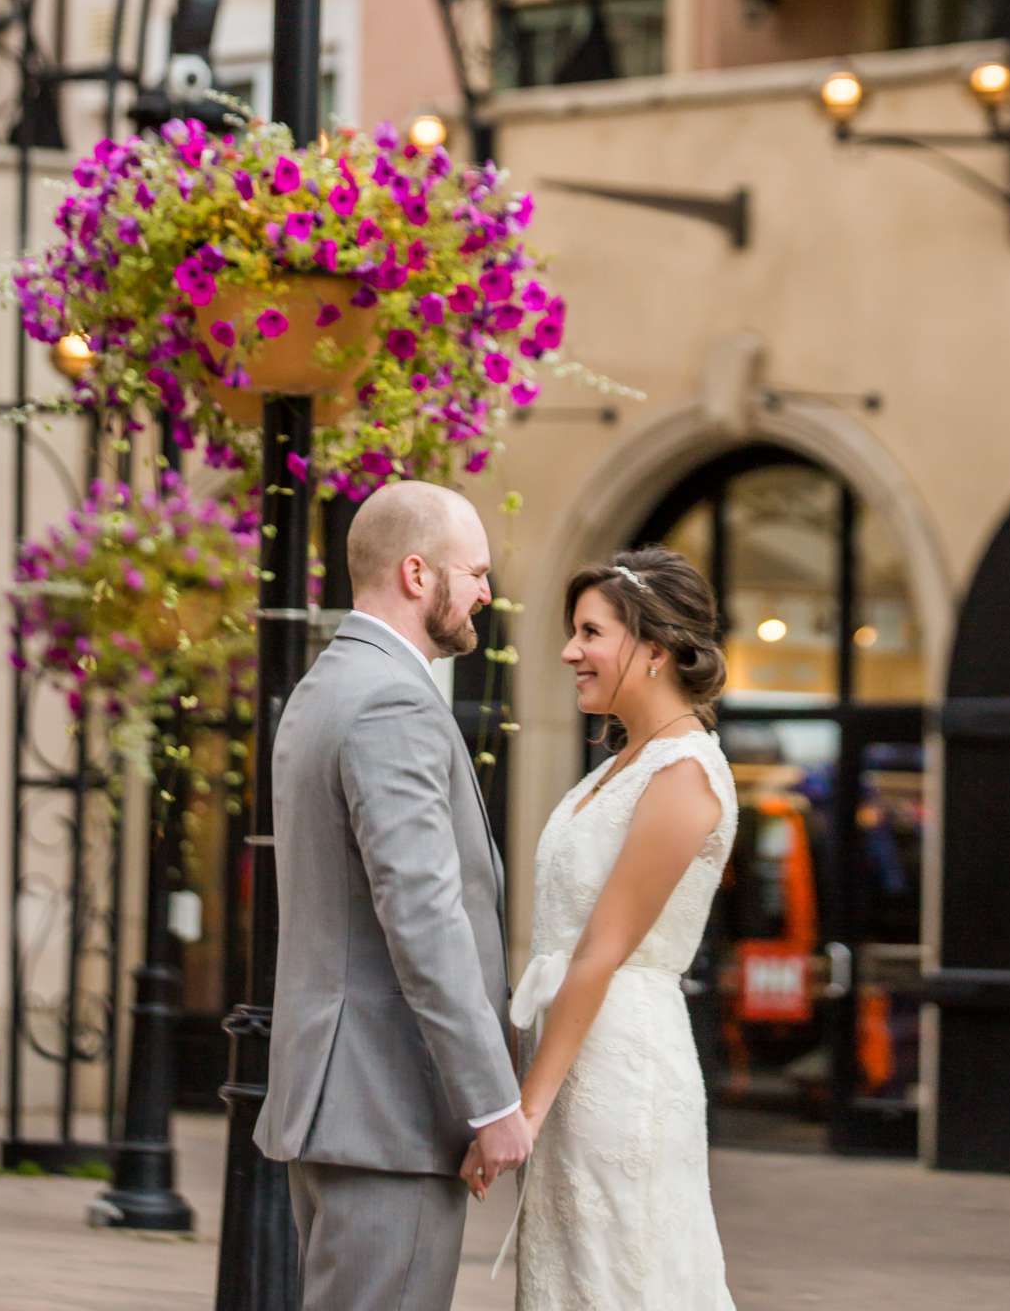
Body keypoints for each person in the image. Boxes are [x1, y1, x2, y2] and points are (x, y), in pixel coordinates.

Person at [256, 479, 531, 1311]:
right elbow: (424, 920)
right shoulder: (393, 704)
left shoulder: (326, 685)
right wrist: (490, 1101)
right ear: (418, 574)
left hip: (345, 1104)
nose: (486, 591)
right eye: (474, 572)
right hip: (388, 1113)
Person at [469, 545, 740, 1310]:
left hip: (621, 1076)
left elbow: (601, 951)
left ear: (653, 650)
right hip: (574, 1061)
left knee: (622, 1280)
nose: (569, 652)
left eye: (590, 632)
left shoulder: (684, 773)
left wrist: (525, 1108)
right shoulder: (622, 765)